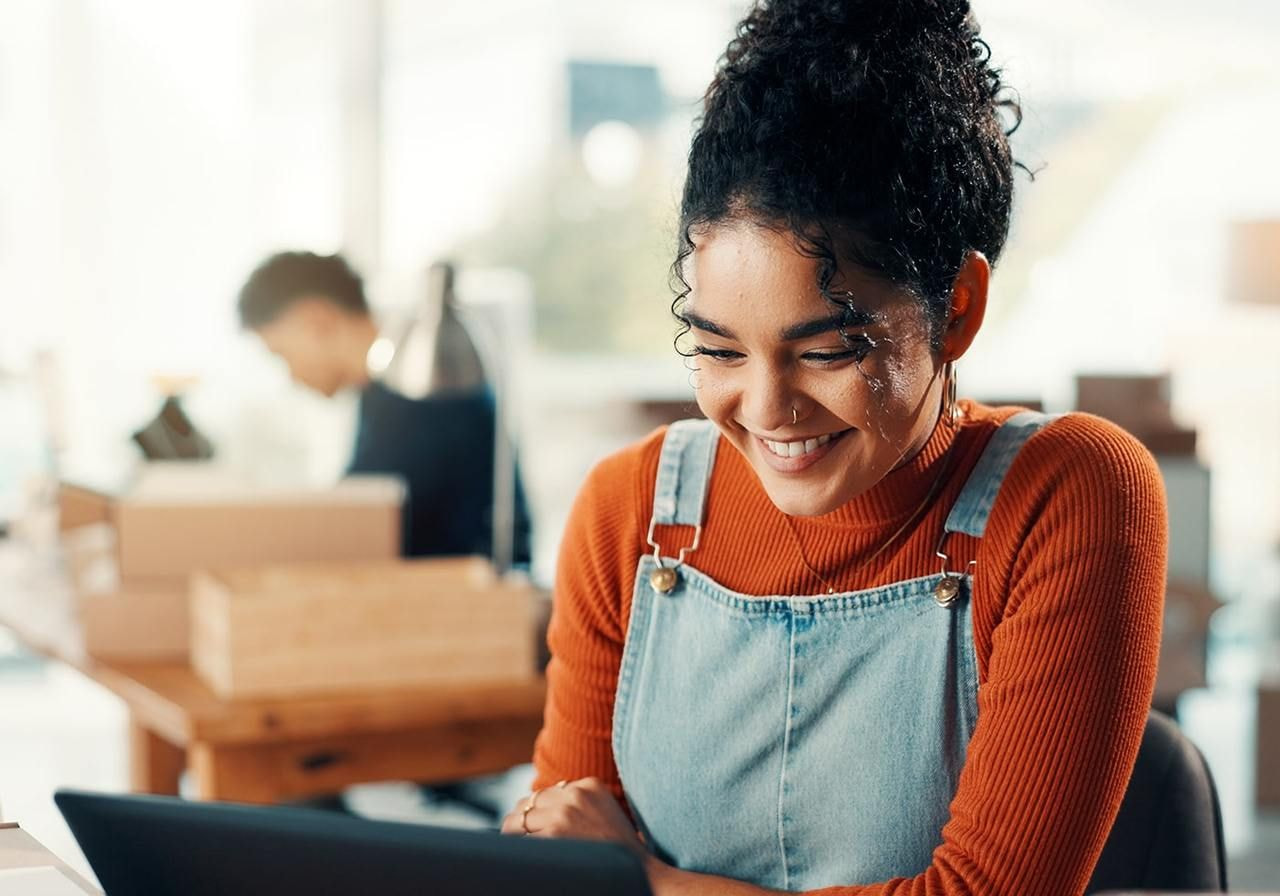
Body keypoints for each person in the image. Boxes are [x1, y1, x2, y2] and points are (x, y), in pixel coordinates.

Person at [500, 2, 1166, 894]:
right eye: (720, 350)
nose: (768, 410)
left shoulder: (1070, 492)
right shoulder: (630, 512)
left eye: (827, 350)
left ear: (957, 307)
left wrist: (649, 883)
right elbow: (560, 869)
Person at [237, 251, 531, 564]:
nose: (292, 376)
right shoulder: (382, 393)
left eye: (282, 354)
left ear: (316, 320)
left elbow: (356, 522)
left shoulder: (422, 390)